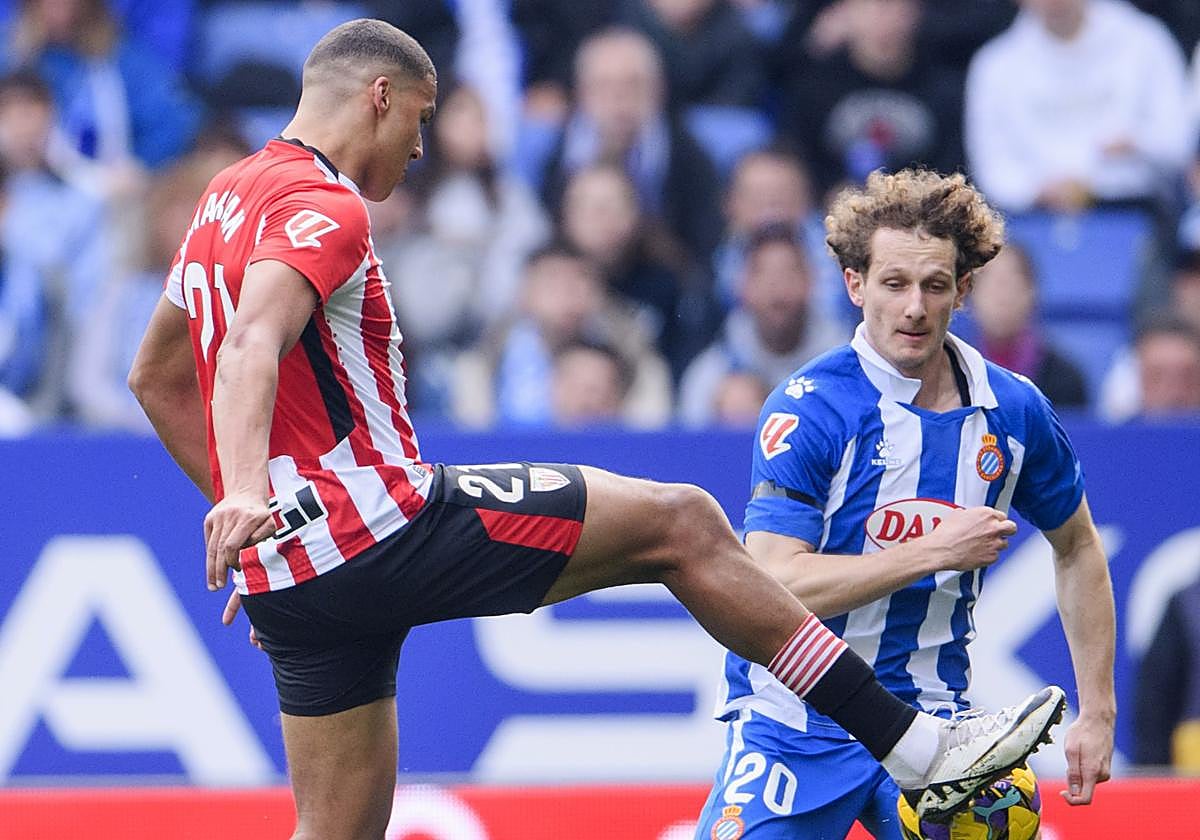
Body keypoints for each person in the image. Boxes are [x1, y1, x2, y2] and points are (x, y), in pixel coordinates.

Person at [127, 22, 1066, 840]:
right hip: (375, 522)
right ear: (379, 97)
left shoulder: (222, 199)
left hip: (299, 571)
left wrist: (267, 530)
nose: (419, 150)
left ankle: (914, 747)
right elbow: (251, 338)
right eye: (418, 120)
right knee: (683, 523)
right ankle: (917, 746)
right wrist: (248, 495)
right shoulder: (322, 202)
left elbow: (159, 377)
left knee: (334, 832)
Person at [694, 168, 1116, 839]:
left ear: (964, 290)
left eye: (934, 285)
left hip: (935, 733)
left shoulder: (1014, 411)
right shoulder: (812, 409)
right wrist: (932, 553)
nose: (914, 306)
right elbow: (772, 582)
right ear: (856, 284)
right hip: (794, 723)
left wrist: (1097, 711)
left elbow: (1079, 545)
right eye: (894, 284)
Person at [965, 0, 1194, 213]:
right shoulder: (994, 65)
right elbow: (992, 167)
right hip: (1032, 219)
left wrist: (1137, 143)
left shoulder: (1146, 40)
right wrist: (1038, 191)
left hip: (1136, 209)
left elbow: (1177, 141)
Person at [679, 223, 846, 427]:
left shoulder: (844, 364)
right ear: (742, 285)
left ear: (811, 280)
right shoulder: (711, 375)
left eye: (789, 271)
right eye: (763, 273)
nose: (776, 285)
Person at [967, 242, 1088, 409]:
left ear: (1032, 292)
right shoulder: (949, 376)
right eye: (990, 282)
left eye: (1011, 282)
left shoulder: (1065, 380)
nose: (1001, 295)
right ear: (968, 295)